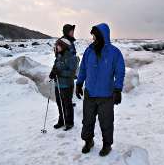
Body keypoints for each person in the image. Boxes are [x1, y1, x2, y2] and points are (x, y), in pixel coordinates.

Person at [76, 23, 125, 156]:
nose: (93, 38)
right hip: (90, 93)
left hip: (106, 95)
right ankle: (88, 141)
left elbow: (120, 72)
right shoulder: (89, 51)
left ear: (103, 36)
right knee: (87, 121)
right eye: (93, 36)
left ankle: (107, 145)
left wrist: (118, 89)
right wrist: (79, 83)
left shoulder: (114, 53)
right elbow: (83, 68)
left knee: (107, 122)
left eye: (95, 36)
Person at [49, 38, 77, 131]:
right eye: (56, 45)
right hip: (58, 84)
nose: (57, 47)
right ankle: (61, 121)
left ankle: (69, 122)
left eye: (58, 45)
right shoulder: (58, 56)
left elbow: (72, 73)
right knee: (59, 104)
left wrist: (60, 73)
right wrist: (53, 72)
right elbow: (55, 67)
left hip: (67, 85)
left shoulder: (70, 57)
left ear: (63, 46)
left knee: (67, 104)